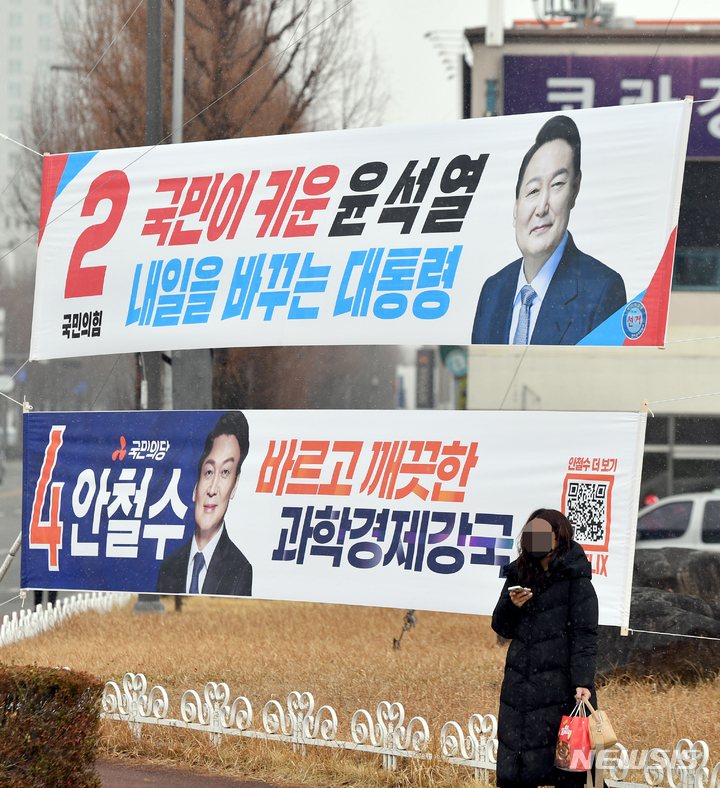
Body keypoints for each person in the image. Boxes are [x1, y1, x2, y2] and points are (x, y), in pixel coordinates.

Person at [471, 115, 626, 345]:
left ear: (575, 190)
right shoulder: (492, 291)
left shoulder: (602, 290)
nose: (542, 207)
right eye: (533, 191)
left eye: (557, 185)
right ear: (515, 209)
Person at [492, 508, 598, 788]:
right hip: (521, 689)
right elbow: (501, 627)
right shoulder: (519, 574)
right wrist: (510, 606)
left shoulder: (577, 580)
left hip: (562, 689)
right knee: (517, 768)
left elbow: (584, 636)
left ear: (558, 537)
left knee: (568, 770)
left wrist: (583, 682)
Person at [156, 411, 252, 596]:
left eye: (225, 472)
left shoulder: (239, 570)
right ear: (196, 484)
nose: (212, 489)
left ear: (235, 484)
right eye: (208, 472)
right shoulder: (169, 566)